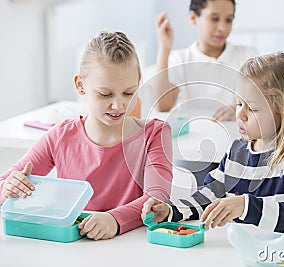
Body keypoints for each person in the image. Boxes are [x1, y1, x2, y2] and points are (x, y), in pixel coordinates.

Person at [0, 30, 173, 240]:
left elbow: (157, 199)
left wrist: (114, 220)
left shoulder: (155, 134)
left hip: (132, 246)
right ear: (80, 85)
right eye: (105, 94)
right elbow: (4, 184)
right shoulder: (60, 136)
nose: (118, 105)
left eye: (128, 92)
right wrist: (10, 187)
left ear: (138, 81)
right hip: (73, 246)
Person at [142, 53, 284, 236]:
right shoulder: (236, 152)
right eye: (238, 104)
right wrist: (170, 211)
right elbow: (207, 198)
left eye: (252, 108)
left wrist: (246, 206)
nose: (240, 115)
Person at [153, 0, 258, 121]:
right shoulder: (180, 59)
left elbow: (263, 103)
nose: (222, 28)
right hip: (193, 134)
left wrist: (242, 108)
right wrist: (164, 48)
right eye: (214, 19)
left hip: (236, 134)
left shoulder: (248, 55)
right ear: (193, 18)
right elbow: (162, 105)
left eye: (228, 20)